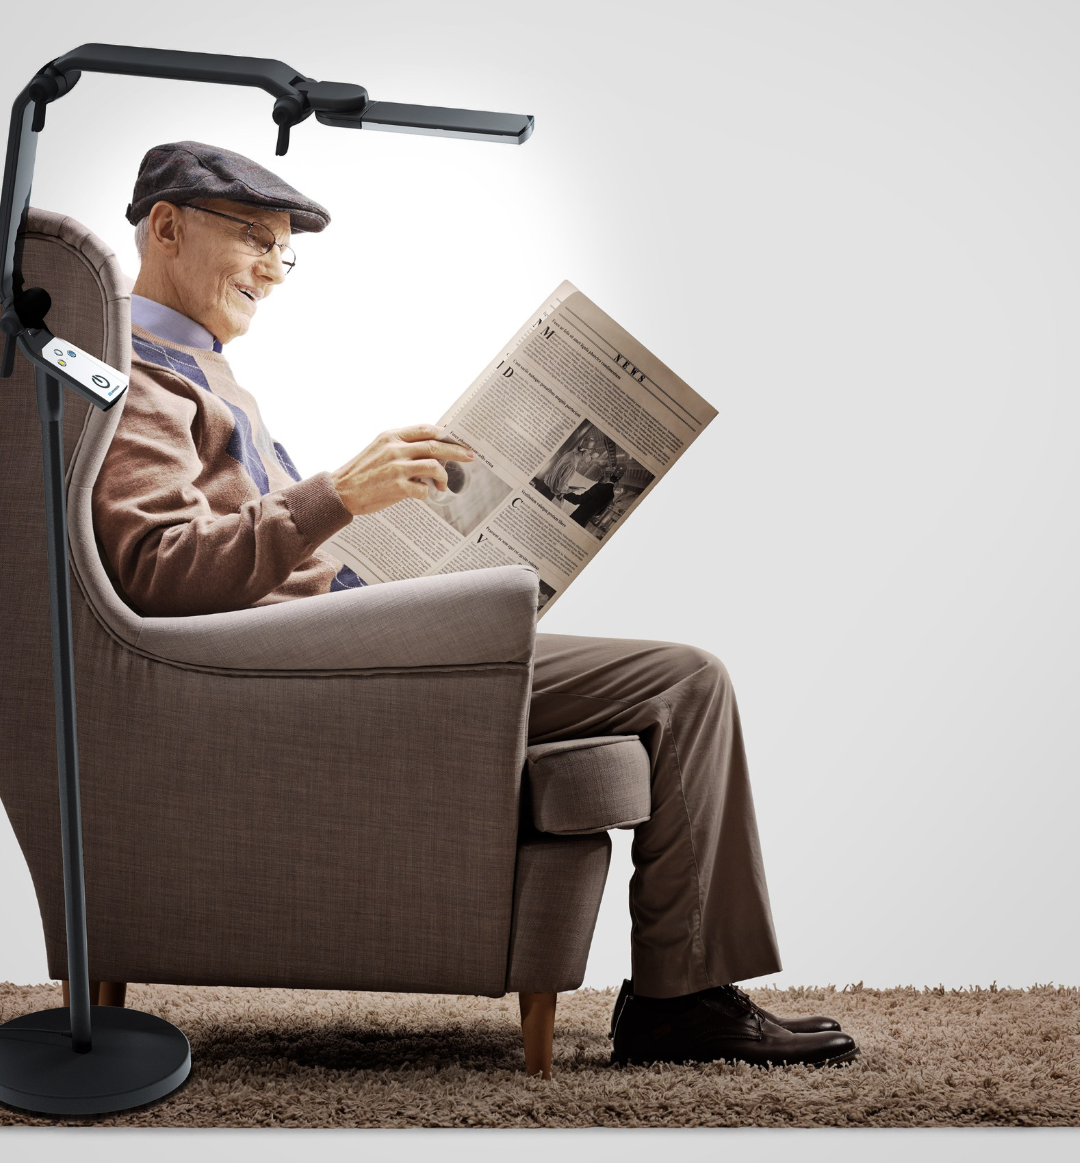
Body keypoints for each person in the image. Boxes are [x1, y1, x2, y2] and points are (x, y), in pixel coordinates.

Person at [93, 141, 859, 1069]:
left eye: (283, 252)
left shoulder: (202, 367)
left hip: (330, 646)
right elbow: (154, 571)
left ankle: (683, 996)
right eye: (254, 238)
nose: (272, 270)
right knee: (684, 684)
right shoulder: (135, 377)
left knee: (669, 680)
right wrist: (339, 495)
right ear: (166, 228)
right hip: (296, 678)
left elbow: (236, 549)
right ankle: (679, 1005)